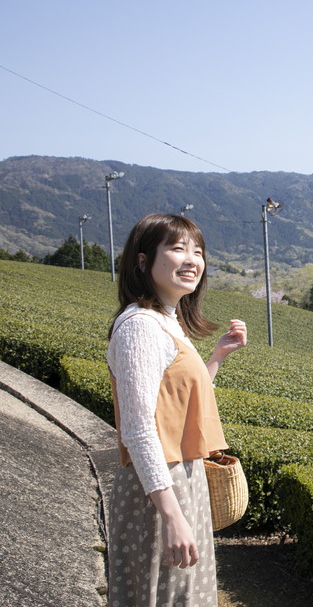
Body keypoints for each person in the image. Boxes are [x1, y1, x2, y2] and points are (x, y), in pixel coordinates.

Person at [105, 213, 247, 605]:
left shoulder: (166, 321)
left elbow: (178, 402)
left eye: (197, 251)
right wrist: (170, 515)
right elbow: (137, 429)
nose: (191, 260)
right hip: (158, 489)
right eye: (177, 248)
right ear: (142, 260)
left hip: (180, 479)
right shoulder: (140, 327)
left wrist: (216, 357)